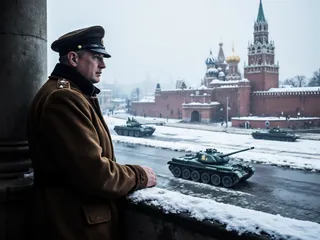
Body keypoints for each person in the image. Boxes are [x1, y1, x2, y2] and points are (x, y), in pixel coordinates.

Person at [26, 25, 157, 240]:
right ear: (73, 59)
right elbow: (96, 174)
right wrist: (139, 175)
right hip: (73, 224)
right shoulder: (65, 98)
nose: (103, 64)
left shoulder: (62, 91)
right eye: (96, 57)